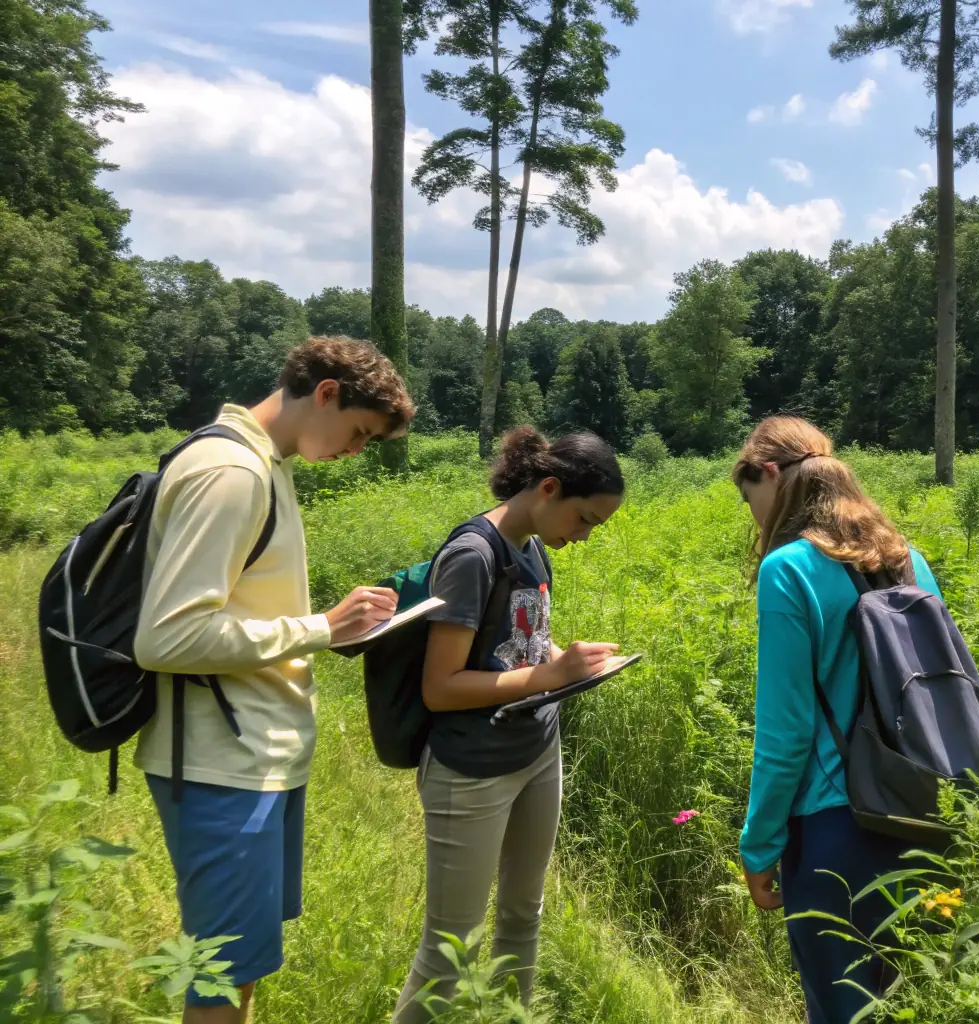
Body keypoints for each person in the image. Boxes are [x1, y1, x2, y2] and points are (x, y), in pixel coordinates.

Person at [133, 336, 415, 1024]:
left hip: (255, 756)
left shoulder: (264, 464)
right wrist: (322, 627)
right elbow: (165, 636)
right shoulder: (230, 472)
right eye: (358, 432)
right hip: (220, 764)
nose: (355, 451)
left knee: (241, 965)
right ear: (324, 393)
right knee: (219, 978)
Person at [392, 426, 625, 1022]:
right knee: (451, 948)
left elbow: (525, 645)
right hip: (471, 771)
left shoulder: (535, 547)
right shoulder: (473, 555)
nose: (585, 535)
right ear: (548, 488)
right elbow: (440, 687)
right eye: (585, 518)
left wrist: (569, 664)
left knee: (524, 914)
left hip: (536, 752)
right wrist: (549, 678)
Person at [731, 415, 945, 1024]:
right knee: (899, 1003)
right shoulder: (909, 561)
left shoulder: (789, 569)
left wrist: (759, 847)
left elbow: (785, 734)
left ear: (769, 474)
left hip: (832, 828)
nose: (756, 517)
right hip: (916, 811)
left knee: (841, 1008)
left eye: (752, 501)